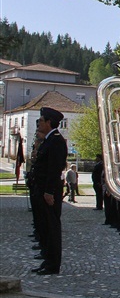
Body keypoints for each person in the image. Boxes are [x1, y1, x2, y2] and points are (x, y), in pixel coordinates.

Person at [29, 107, 68, 275]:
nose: (39, 124)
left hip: (48, 191)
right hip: (42, 189)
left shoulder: (57, 141)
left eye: (42, 121)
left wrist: (49, 191)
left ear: (49, 122)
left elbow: (54, 168)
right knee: (45, 226)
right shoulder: (49, 140)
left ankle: (53, 263)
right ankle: (47, 258)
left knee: (52, 227)